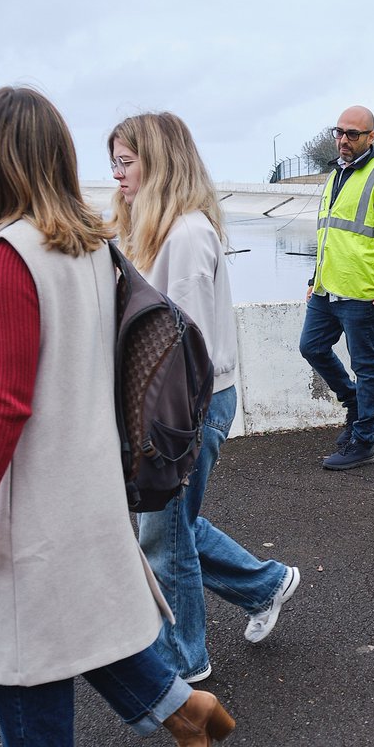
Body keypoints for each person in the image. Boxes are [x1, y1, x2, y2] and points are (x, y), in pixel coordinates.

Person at [0, 86, 234, 745]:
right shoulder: (91, 243)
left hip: (24, 491)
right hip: (83, 478)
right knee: (79, 621)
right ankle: (182, 707)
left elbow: (8, 397)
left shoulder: (11, 252)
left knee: (27, 654)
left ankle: (180, 706)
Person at [108, 112, 300, 684]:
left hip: (184, 407)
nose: (117, 174)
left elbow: (183, 348)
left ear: (158, 162)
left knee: (162, 538)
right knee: (172, 525)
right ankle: (265, 585)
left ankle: (183, 665)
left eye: (126, 162)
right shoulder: (157, 227)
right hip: (180, 404)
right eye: (113, 163)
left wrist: (156, 422)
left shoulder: (186, 235)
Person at [299, 105, 374, 470]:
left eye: (353, 134)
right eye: (339, 132)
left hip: (364, 292)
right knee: (311, 347)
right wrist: (314, 278)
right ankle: (352, 403)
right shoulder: (337, 173)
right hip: (327, 289)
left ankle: (364, 441)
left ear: (371, 137)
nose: (344, 140)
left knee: (366, 365)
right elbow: (329, 232)